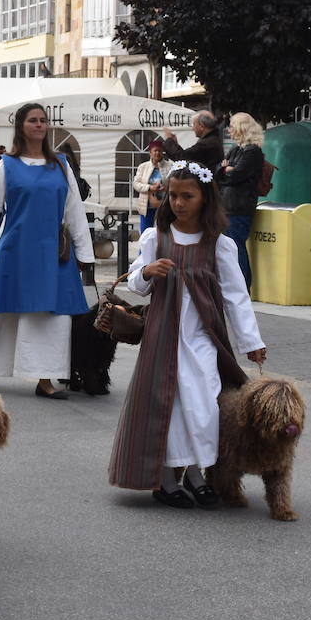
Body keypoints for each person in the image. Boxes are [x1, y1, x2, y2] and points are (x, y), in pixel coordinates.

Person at [108, 160, 266, 507]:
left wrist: (251, 342)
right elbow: (136, 284)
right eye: (172, 196)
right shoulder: (156, 237)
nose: (178, 203)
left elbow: (236, 295)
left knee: (202, 407)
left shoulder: (219, 245)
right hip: (163, 339)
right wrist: (147, 271)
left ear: (205, 199)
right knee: (167, 407)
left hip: (203, 339)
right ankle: (165, 480)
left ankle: (195, 475)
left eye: (187, 196)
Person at [0, 103, 95, 400]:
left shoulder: (61, 165)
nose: (40, 125)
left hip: (52, 252)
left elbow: (75, 211)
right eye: (33, 120)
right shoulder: (6, 165)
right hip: (15, 248)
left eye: (43, 120)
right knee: (2, 310)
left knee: (52, 317)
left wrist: (85, 252)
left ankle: (45, 379)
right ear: (21, 126)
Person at [216, 112, 265, 290]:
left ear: (242, 128)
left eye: (232, 126)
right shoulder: (237, 149)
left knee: (236, 246)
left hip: (239, 207)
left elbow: (236, 176)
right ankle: (233, 284)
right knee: (227, 248)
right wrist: (225, 170)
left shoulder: (253, 152)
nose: (229, 130)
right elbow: (218, 172)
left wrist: (227, 170)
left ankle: (243, 286)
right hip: (226, 206)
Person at [133, 139, 172, 233]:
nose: (157, 153)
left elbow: (174, 184)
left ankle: (161, 248)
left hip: (164, 205)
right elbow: (136, 184)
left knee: (164, 232)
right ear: (150, 152)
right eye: (155, 150)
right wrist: (150, 187)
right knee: (145, 233)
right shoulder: (143, 166)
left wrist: (165, 188)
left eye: (160, 150)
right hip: (147, 206)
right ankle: (143, 249)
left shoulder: (170, 166)